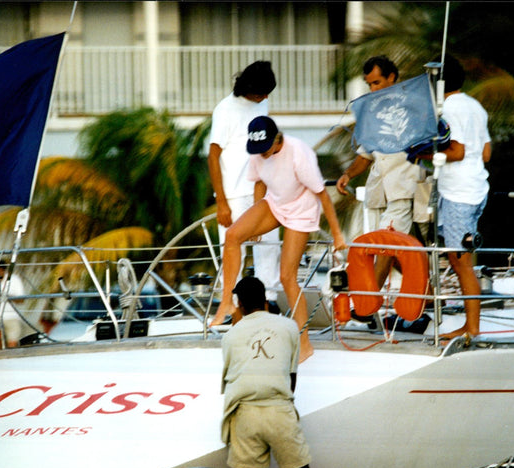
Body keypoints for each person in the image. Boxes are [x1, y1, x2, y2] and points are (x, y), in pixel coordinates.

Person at [209, 116, 346, 363]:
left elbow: (323, 196)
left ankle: (305, 344)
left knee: (286, 277)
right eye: (256, 150)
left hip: (301, 210)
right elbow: (260, 182)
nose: (260, 154)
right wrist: (256, 218)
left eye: (264, 149)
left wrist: (337, 235)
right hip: (275, 203)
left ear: (277, 140)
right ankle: (227, 301)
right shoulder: (257, 152)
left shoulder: (298, 153)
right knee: (232, 235)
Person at [220, 276, 318, 468]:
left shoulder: (230, 336)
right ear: (265, 300)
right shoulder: (289, 327)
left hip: (245, 413)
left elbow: (230, 377)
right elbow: (291, 376)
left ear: (240, 304)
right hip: (279, 409)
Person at [336, 56, 425, 288]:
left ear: (392, 78)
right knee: (386, 250)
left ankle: (369, 301)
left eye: (376, 83)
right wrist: (348, 174)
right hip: (379, 192)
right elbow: (365, 155)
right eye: (369, 85)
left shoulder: (413, 107)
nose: (372, 89)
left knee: (386, 246)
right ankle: (427, 290)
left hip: (405, 188)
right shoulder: (373, 113)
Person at [208, 61, 282, 311]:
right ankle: (230, 307)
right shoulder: (225, 110)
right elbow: (213, 155)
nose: (265, 97)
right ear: (249, 88)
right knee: (232, 252)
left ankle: (269, 302)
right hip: (234, 195)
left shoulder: (263, 103)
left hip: (263, 191)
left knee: (269, 249)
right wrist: (221, 202)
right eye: (262, 92)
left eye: (267, 93)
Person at [434, 55, 492, 339]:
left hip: (458, 193)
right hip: (476, 190)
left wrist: (425, 154)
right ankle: (471, 325)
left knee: (461, 263)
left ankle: (471, 328)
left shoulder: (448, 108)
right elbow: (485, 153)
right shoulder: (475, 106)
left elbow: (456, 152)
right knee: (461, 259)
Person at [0, 264, 26, 348]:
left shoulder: (14, 280)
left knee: (12, 344)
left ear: (3, 270)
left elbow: (21, 300)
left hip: (11, 317)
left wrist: (7, 296)